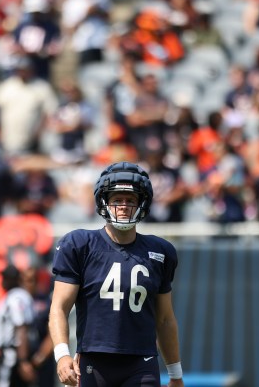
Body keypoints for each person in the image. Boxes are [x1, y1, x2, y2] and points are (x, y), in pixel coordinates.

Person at [48, 162, 185, 387]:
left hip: (141, 361)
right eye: (117, 200)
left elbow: (165, 319)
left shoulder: (160, 252)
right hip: (94, 360)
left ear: (142, 204)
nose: (123, 206)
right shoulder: (80, 245)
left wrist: (175, 374)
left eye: (130, 200)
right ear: (105, 203)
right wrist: (62, 354)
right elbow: (59, 307)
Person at [0, 264, 37, 387]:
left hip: (12, 358)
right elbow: (2, 332)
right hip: (11, 356)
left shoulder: (16, 298)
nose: (3, 281)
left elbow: (21, 327)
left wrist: (23, 361)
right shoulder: (11, 297)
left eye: (6, 278)